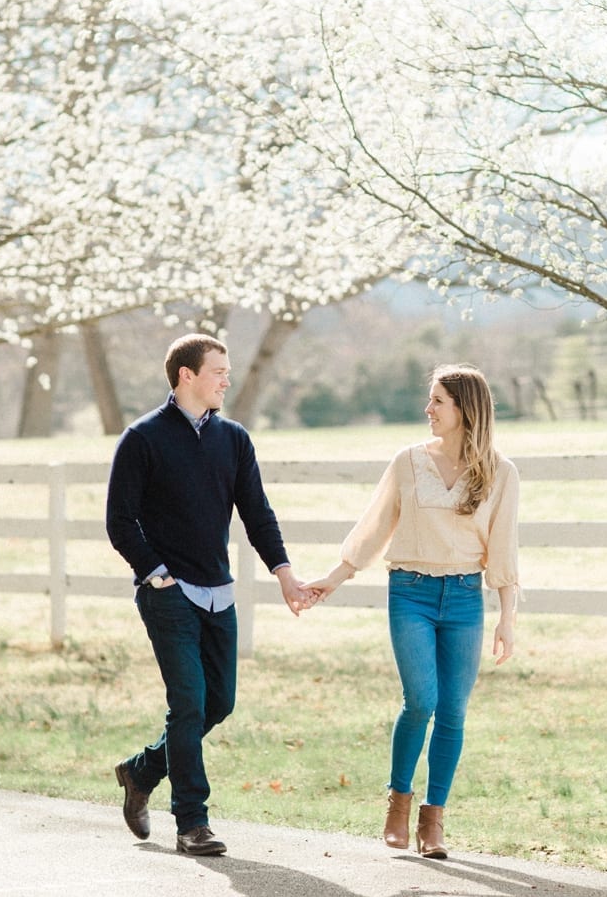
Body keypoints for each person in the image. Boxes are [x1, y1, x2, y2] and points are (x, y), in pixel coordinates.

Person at [106, 333, 315, 857]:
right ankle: (192, 823)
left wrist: (284, 572)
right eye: (218, 370)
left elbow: (257, 513)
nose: (227, 379)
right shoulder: (143, 438)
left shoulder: (234, 439)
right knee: (188, 705)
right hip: (168, 593)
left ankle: (141, 770)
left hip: (219, 593)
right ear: (187, 376)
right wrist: (155, 573)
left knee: (218, 702)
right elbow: (119, 520)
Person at [308, 364, 519, 860]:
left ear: (465, 409)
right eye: (430, 400)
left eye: (438, 401)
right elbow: (375, 526)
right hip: (411, 593)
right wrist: (334, 578)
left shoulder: (501, 472)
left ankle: (434, 821)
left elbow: (505, 548)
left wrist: (508, 617)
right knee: (421, 699)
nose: (428, 410)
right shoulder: (407, 461)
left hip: (466, 597)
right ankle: (397, 805)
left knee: (453, 711)